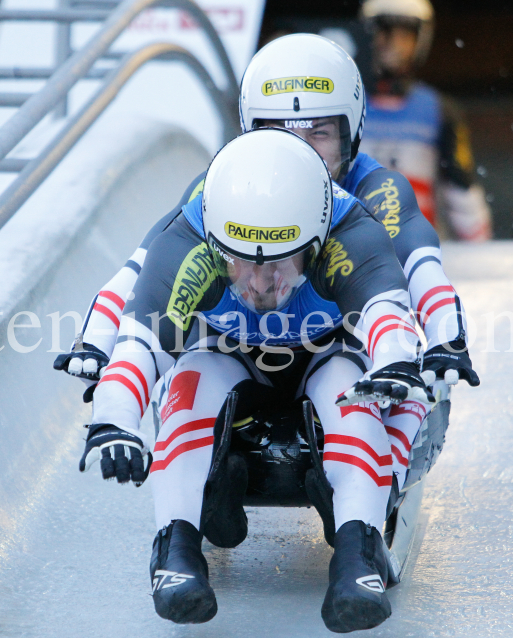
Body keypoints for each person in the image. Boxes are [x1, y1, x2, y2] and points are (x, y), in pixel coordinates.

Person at [82, 129, 431, 631]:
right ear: (214, 242)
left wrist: (394, 361)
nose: (261, 283)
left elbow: (386, 313)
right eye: (241, 260)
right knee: (190, 378)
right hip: (225, 352)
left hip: (327, 354)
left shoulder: (350, 229)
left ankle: (358, 553)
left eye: (281, 261)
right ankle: (175, 546)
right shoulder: (185, 244)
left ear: (316, 243)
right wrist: (114, 419)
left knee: (352, 393)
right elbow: (141, 344)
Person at [58, 34, 479, 423]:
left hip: (337, 343)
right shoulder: (218, 188)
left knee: (400, 360)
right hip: (232, 341)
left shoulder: (375, 190)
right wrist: (96, 339)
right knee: (183, 365)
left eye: (318, 133)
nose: (297, 149)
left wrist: (444, 339)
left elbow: (419, 263)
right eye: (277, 131)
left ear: (350, 133)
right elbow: (147, 267)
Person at [357, 0, 491, 242]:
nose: (393, 45)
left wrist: (481, 254)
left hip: (419, 258)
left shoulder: (439, 111)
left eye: (404, 35)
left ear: (420, 40)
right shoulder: (345, 104)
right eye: (384, 32)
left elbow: (463, 199)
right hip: (351, 258)